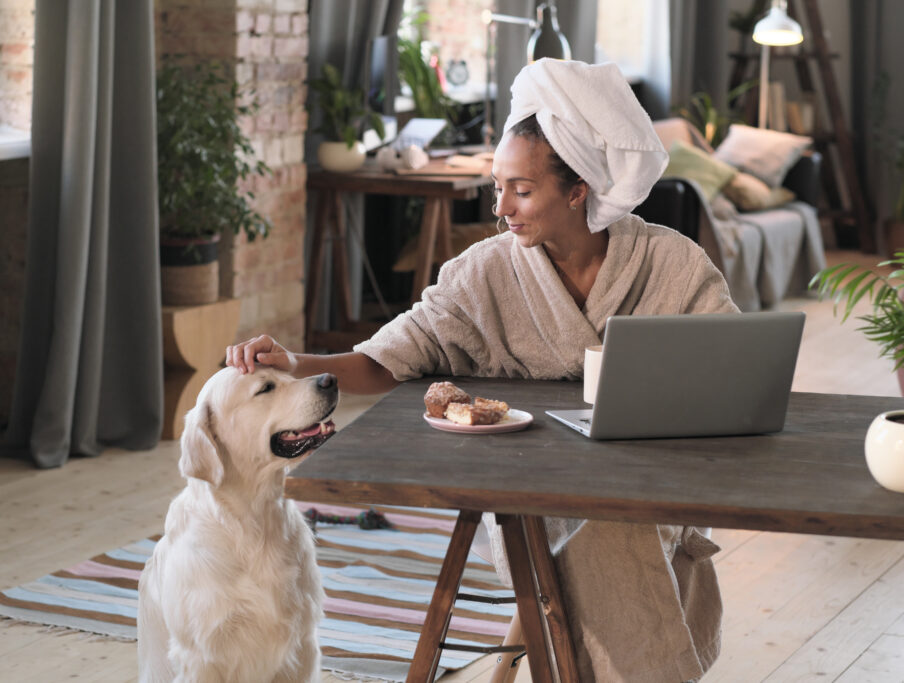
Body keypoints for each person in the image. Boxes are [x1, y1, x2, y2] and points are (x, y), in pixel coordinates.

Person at [227, 59, 738, 682]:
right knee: (599, 531)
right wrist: (297, 363)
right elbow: (389, 357)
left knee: (612, 525)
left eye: (521, 190)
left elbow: (731, 363)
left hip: (654, 478)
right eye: (497, 187)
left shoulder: (671, 263)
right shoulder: (485, 273)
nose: (502, 208)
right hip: (532, 492)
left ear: (577, 190)